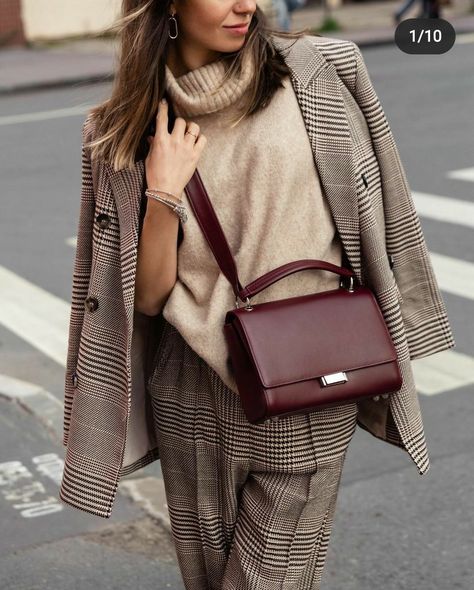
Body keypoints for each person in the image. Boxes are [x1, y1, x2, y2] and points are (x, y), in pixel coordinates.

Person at [58, 0, 455, 588]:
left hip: (314, 374)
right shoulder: (122, 129)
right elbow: (145, 298)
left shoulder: (316, 73)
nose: (247, 3)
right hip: (191, 388)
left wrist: (412, 311)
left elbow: (383, 202)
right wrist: (164, 190)